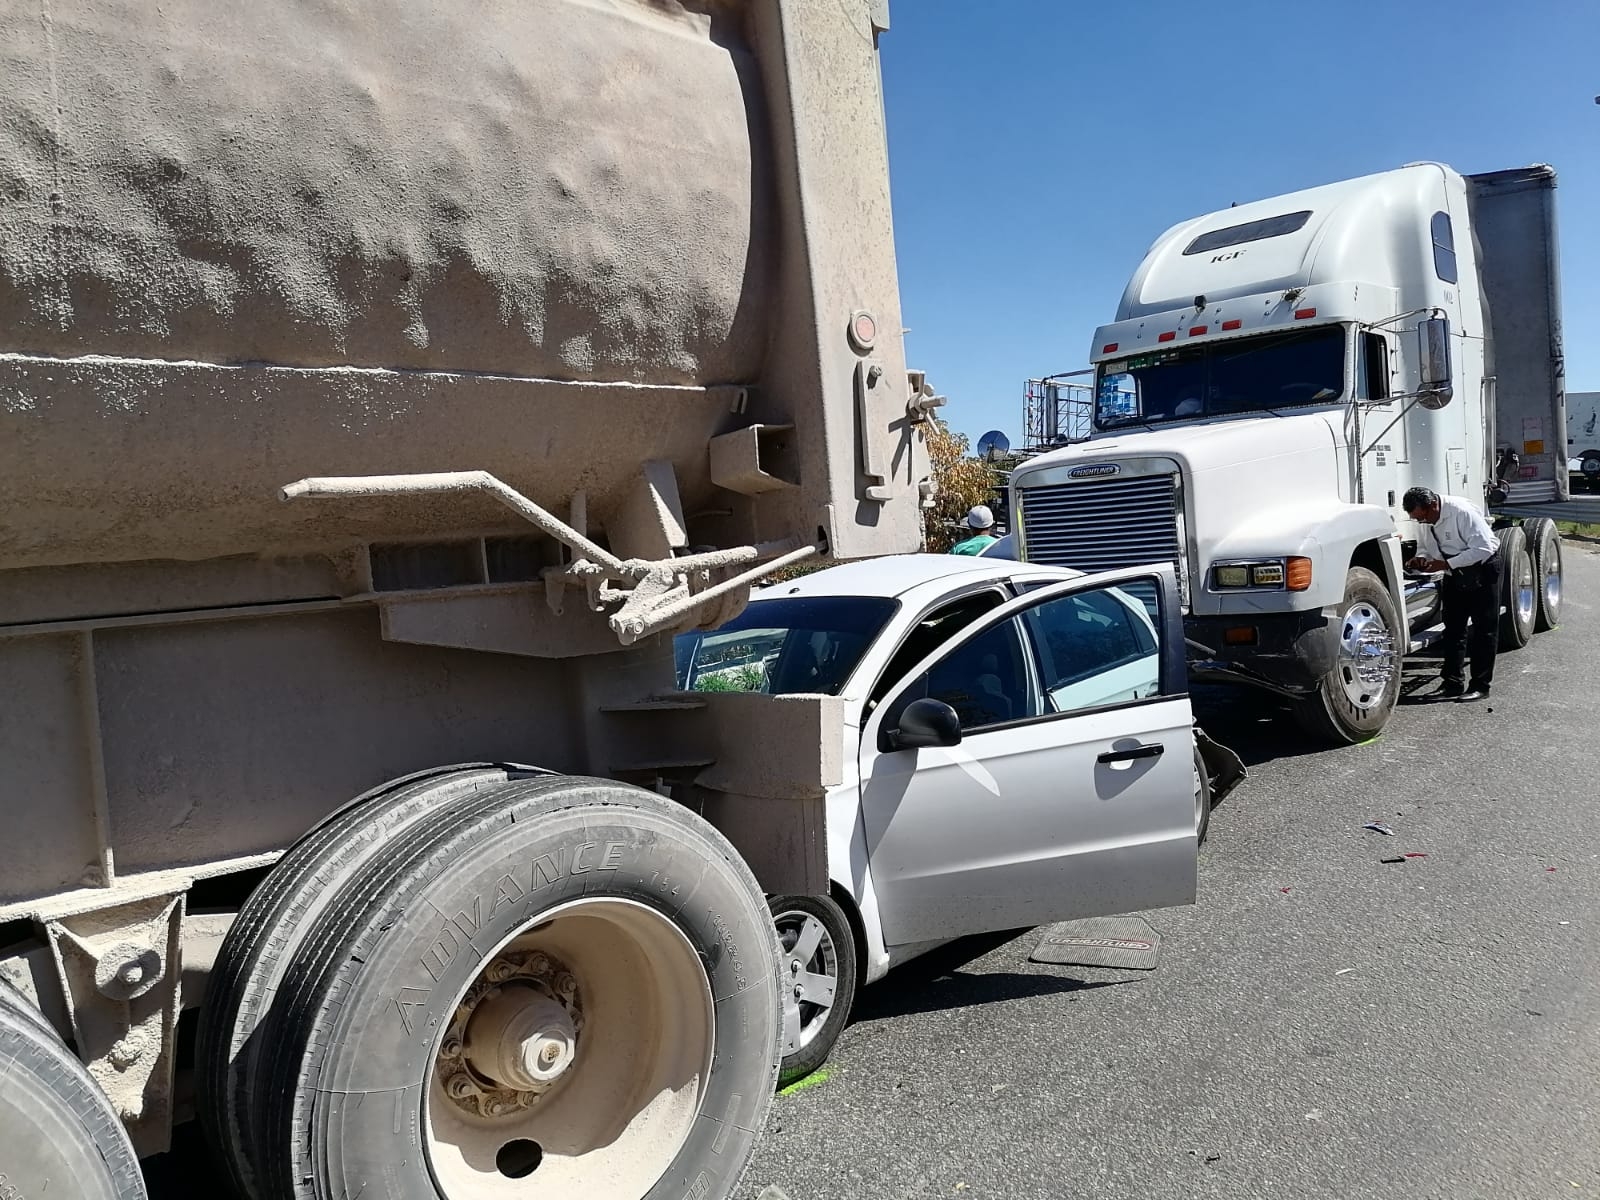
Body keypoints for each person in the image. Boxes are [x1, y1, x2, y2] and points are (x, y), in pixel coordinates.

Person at [1402, 486, 1502, 701]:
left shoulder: (1461, 512)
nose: (1422, 523)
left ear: (1434, 505)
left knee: (1484, 630)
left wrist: (1446, 563)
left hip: (1481, 570)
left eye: (1423, 517)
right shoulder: (1426, 518)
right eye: (1417, 520)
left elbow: (1485, 547)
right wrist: (1420, 558)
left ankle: (1480, 686)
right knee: (1453, 629)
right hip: (1452, 572)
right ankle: (1452, 683)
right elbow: (1426, 548)